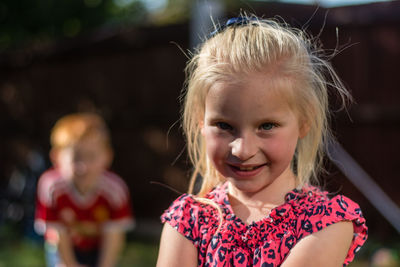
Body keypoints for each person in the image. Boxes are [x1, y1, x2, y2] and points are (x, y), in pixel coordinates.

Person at [157, 15, 368, 267]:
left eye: (266, 126)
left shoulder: (326, 222)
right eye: (224, 126)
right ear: (200, 121)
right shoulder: (188, 220)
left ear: (304, 122)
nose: (243, 149)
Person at [35, 113, 135, 267]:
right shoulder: (51, 187)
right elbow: (57, 234)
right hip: (63, 247)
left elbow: (115, 236)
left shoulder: (115, 190)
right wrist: (70, 264)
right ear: (56, 157)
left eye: (91, 156)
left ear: (107, 156)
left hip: (101, 248)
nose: (84, 167)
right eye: (76, 158)